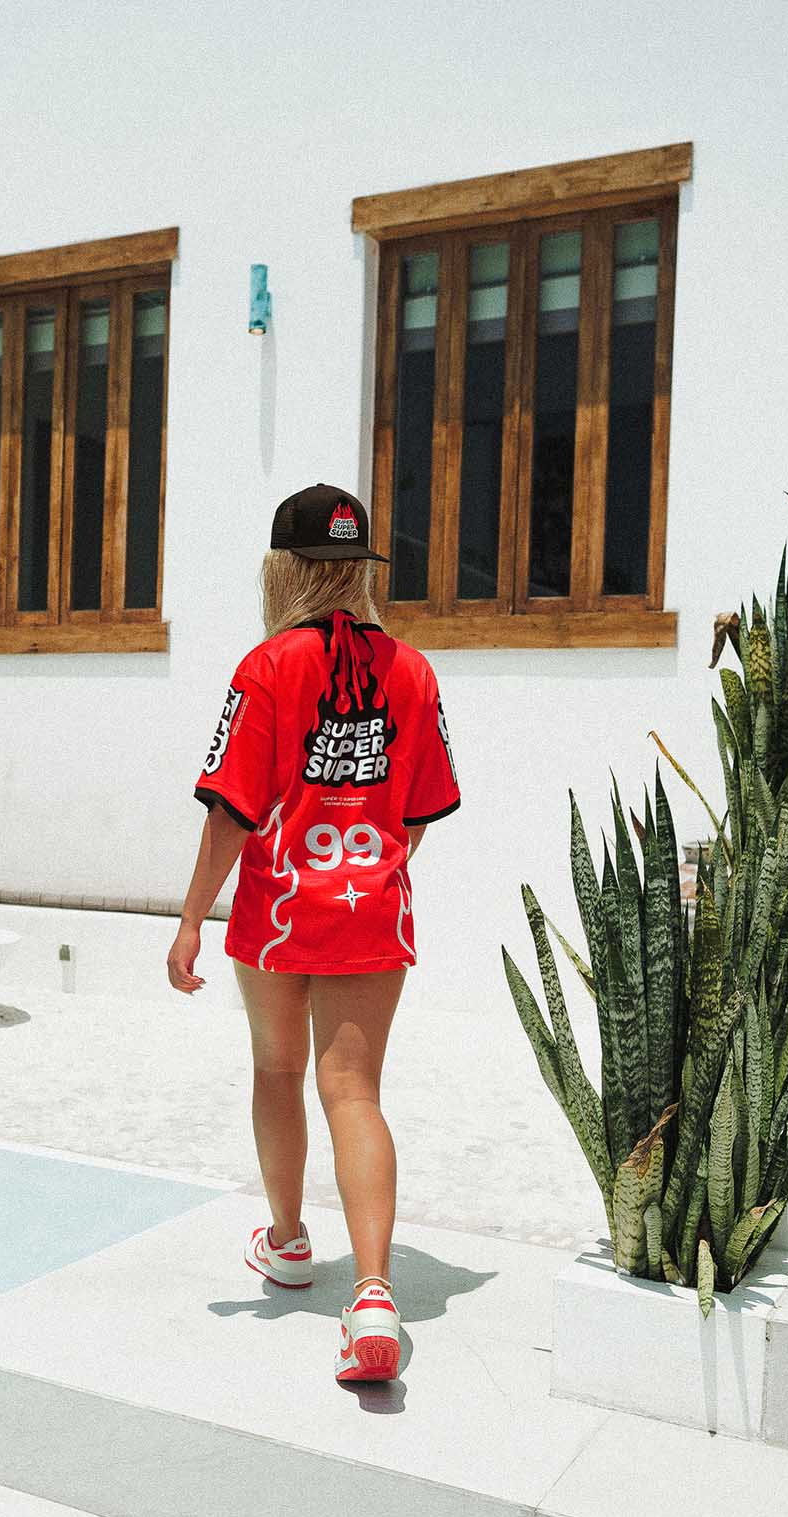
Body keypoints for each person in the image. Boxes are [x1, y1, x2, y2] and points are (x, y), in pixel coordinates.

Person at [167, 482, 460, 1383]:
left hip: (279, 908)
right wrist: (367, 860)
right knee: (355, 1092)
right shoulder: (413, 670)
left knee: (278, 1070)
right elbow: (417, 812)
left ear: (284, 571)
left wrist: (189, 920)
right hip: (372, 906)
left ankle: (289, 1241)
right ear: (358, 571)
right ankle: (373, 1291)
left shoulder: (267, 667)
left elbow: (231, 814)